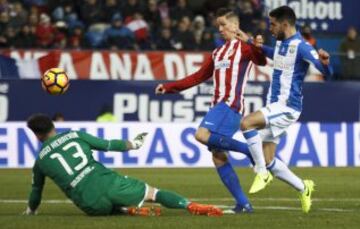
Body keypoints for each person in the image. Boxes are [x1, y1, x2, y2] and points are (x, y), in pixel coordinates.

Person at [155, 8, 267, 213]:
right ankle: (244, 204)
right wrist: (169, 87)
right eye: (218, 26)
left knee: (201, 134)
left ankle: (250, 151)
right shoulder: (217, 53)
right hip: (219, 106)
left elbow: (261, 60)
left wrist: (252, 41)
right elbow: (197, 77)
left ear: (235, 25)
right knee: (218, 157)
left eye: (223, 25)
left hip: (230, 104)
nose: (220, 29)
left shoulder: (244, 48)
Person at [23, 114, 222, 216]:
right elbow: (108, 145)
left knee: (101, 203)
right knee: (154, 194)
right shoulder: (75, 135)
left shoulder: (40, 161)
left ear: (36, 134)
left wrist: (31, 211)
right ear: (53, 126)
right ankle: (189, 205)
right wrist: (133, 144)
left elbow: (36, 192)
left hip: (89, 205)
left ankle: (127, 210)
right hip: (108, 183)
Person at [236, 6, 333, 213]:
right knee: (270, 159)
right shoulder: (281, 43)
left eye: (273, 24)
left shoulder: (302, 46)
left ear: (285, 24)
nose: (270, 28)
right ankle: (303, 187)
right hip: (275, 104)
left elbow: (325, 70)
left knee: (246, 123)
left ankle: (261, 173)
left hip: (288, 106)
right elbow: (275, 55)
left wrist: (326, 64)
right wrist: (250, 42)